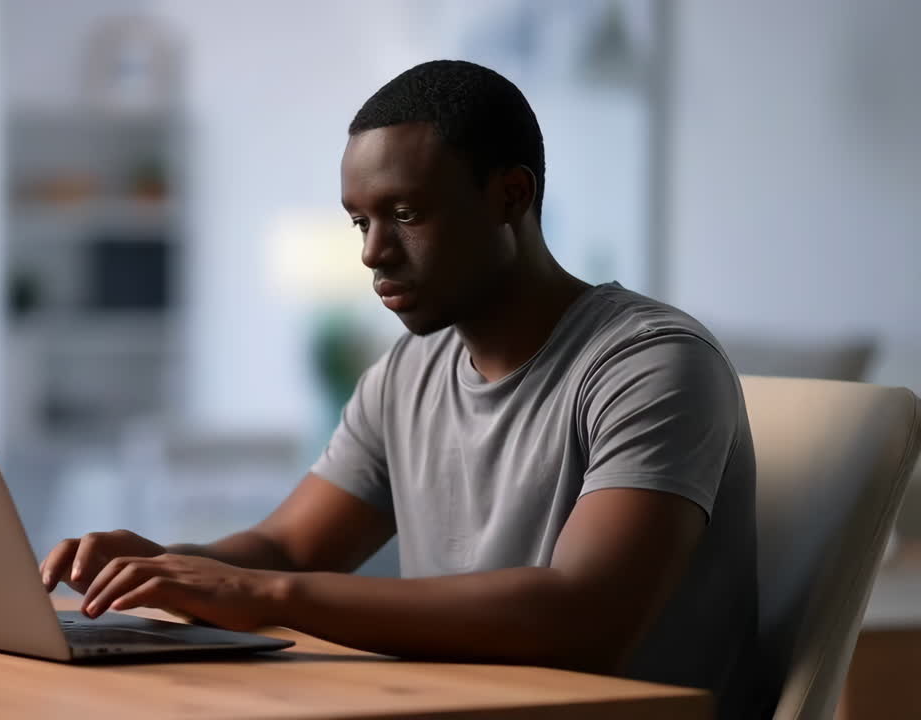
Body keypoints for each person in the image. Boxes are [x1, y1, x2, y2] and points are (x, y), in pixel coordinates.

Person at [40, 60, 765, 717]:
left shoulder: (651, 364)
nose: (372, 253)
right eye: (361, 220)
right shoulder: (404, 376)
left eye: (406, 215)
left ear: (511, 196)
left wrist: (261, 594)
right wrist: (164, 567)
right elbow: (289, 549)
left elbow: (583, 621)